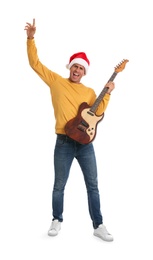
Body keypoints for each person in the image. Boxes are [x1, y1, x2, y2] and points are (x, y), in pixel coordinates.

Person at [24, 18, 115, 242]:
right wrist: (31, 38)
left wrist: (109, 91)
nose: (77, 70)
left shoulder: (90, 92)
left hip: (86, 144)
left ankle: (98, 224)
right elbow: (35, 64)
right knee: (59, 185)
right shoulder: (56, 81)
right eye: (75, 66)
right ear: (70, 67)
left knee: (93, 185)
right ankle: (57, 219)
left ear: (84, 72)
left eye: (81, 68)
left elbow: (98, 112)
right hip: (64, 141)